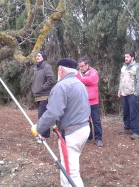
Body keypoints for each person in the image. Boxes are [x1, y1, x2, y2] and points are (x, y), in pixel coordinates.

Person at [31, 58, 90, 187]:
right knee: (72, 162)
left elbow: (52, 113)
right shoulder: (79, 84)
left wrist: (39, 128)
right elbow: (77, 108)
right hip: (84, 128)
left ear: (62, 70)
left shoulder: (61, 86)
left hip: (73, 133)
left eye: (58, 69)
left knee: (69, 172)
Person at [76, 58, 103, 147]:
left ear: (87, 64)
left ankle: (98, 138)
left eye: (82, 66)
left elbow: (92, 80)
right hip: (83, 101)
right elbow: (76, 82)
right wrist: (83, 80)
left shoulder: (93, 72)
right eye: (79, 66)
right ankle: (89, 136)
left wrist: (80, 80)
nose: (81, 68)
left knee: (96, 121)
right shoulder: (78, 73)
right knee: (85, 121)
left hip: (93, 101)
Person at [118, 51, 139, 140]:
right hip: (124, 93)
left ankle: (136, 132)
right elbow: (121, 80)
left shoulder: (137, 68)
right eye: (125, 57)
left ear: (132, 58)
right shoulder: (123, 67)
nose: (126, 58)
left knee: (133, 113)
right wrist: (119, 91)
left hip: (132, 94)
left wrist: (136, 92)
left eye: (128, 57)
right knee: (126, 112)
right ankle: (127, 129)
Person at [31, 51, 56, 143]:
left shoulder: (46, 67)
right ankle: (44, 134)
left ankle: (44, 136)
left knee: (42, 116)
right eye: (36, 56)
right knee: (42, 116)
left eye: (39, 56)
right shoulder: (36, 68)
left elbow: (52, 80)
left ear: (43, 58)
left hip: (45, 96)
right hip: (38, 96)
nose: (37, 57)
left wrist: (42, 88)